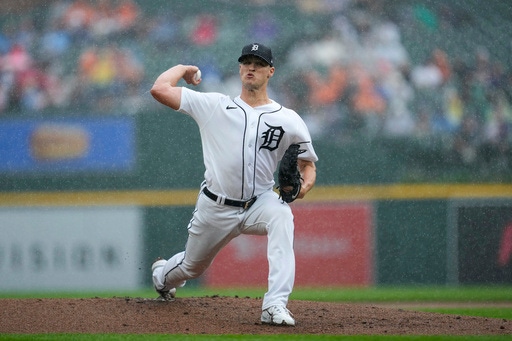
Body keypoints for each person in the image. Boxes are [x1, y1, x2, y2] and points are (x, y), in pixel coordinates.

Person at [149, 42, 318, 326]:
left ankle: (274, 305)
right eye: (246, 62)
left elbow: (307, 165)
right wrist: (183, 69)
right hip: (216, 205)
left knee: (282, 217)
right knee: (191, 267)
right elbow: (159, 89)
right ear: (240, 68)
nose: (251, 67)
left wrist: (303, 188)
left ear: (270, 71)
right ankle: (161, 276)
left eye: (259, 63)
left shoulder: (289, 120)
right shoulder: (214, 105)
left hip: (260, 202)